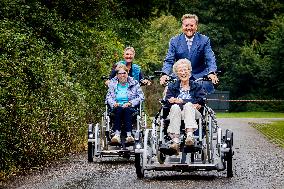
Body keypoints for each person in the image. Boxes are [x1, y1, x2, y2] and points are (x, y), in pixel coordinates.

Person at [160, 14, 218, 94]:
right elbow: (169, 60)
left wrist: (211, 72)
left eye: (191, 25)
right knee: (167, 93)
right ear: (182, 26)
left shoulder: (204, 40)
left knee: (201, 98)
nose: (189, 28)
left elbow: (210, 58)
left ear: (196, 26)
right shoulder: (174, 41)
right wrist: (165, 74)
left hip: (199, 76)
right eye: (186, 25)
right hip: (180, 75)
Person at [164, 58, 206, 153]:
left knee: (188, 105)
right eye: (180, 70)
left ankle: (190, 137)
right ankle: (175, 141)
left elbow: (202, 99)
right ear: (177, 74)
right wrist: (171, 101)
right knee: (174, 107)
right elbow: (166, 101)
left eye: (185, 69)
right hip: (176, 113)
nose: (183, 72)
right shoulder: (172, 86)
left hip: (193, 113)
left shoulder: (197, 86)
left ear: (189, 71)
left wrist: (182, 101)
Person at [105, 64, 145, 144]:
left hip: (130, 108)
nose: (122, 75)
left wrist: (130, 103)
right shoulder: (112, 84)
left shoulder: (134, 83)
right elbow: (108, 97)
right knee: (119, 108)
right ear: (117, 75)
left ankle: (129, 135)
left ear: (127, 73)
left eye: (124, 73)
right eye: (120, 73)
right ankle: (116, 135)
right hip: (116, 108)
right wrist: (114, 103)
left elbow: (141, 97)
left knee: (126, 109)